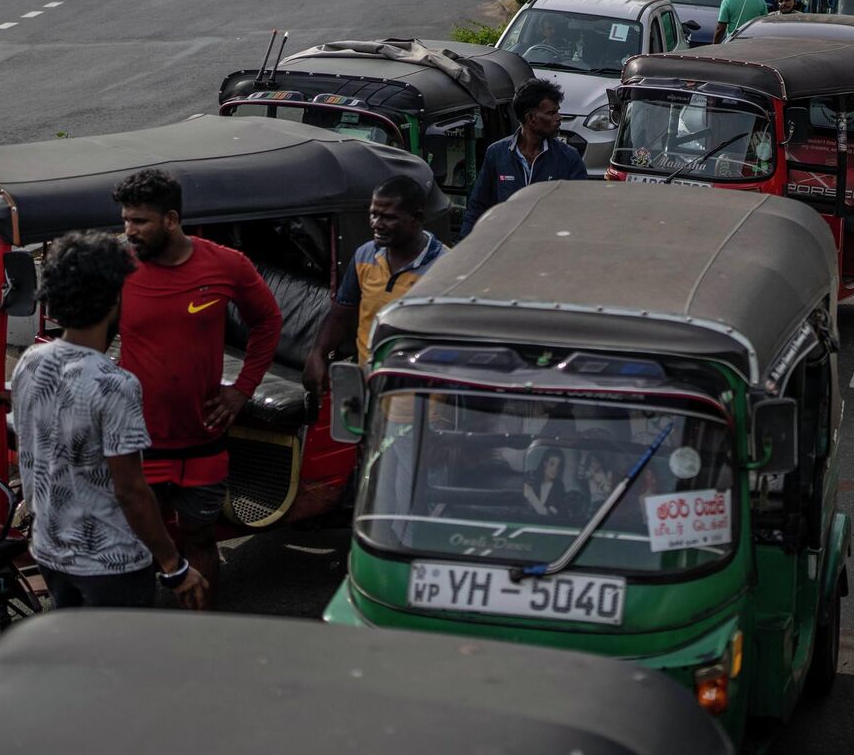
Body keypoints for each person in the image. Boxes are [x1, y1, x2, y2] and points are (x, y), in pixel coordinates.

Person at [12, 232, 210, 610]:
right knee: (119, 663)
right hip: (109, 564)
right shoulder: (113, 385)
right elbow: (132, 492)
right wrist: (174, 566)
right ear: (113, 301)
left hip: (49, 550)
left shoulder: (30, 362)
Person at [114, 169, 283, 605]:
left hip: (202, 440)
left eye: (139, 222)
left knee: (201, 538)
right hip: (137, 440)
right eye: (125, 220)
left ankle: (199, 635)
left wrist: (243, 388)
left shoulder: (226, 264)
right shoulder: (116, 266)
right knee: (136, 546)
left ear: (171, 219)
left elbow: (268, 321)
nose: (128, 231)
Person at [304, 175, 446, 390]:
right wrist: (317, 354)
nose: (377, 225)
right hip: (368, 391)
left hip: (418, 397)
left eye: (388, 217)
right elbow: (341, 315)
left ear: (416, 218)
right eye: (373, 215)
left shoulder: (445, 268)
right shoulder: (365, 255)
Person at [461, 79, 589, 237]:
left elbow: (580, 212)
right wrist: (464, 248)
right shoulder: (497, 154)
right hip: (504, 246)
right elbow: (478, 207)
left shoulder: (569, 159)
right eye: (551, 113)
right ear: (531, 119)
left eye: (558, 111)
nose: (559, 117)